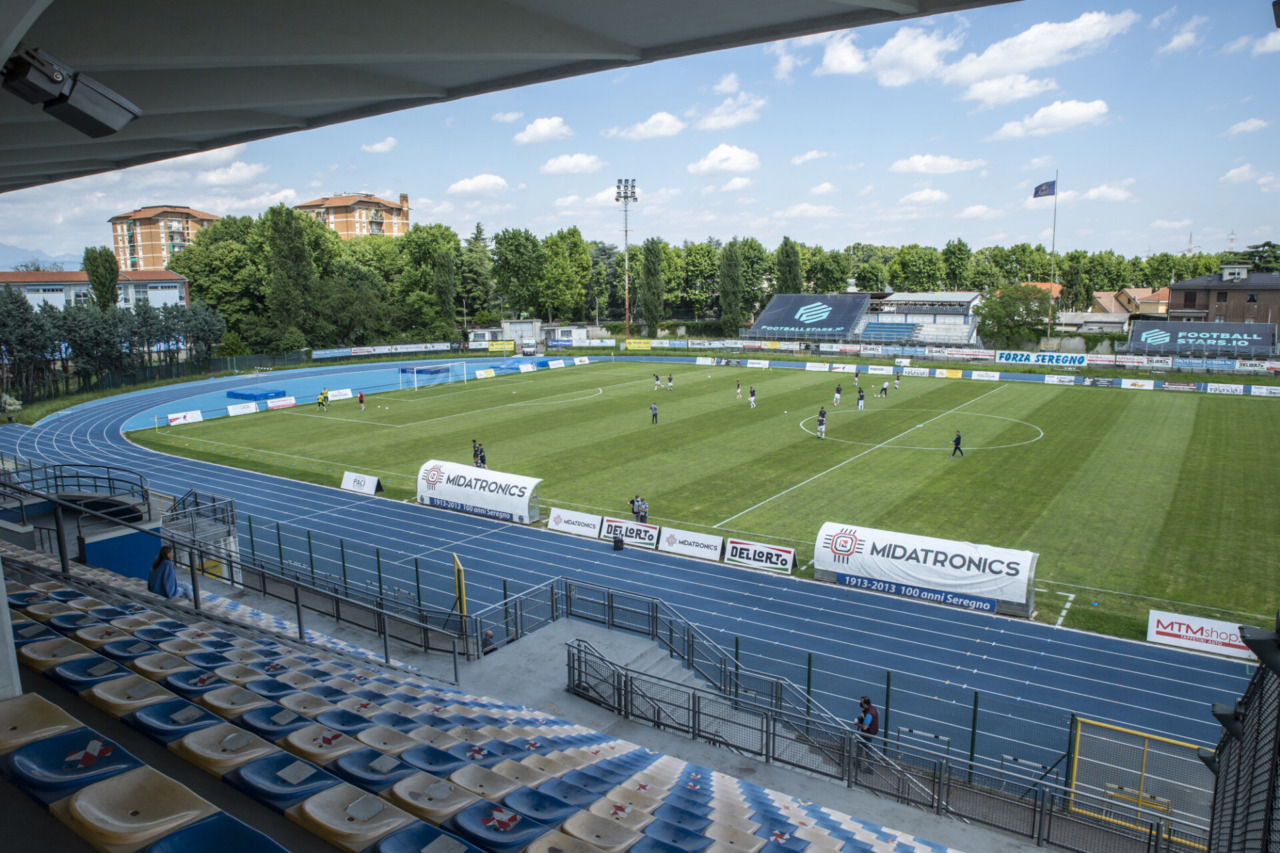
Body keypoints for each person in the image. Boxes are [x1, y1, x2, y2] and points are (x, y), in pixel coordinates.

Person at [856, 696, 879, 772]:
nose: (860, 704)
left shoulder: (869, 714)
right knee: (862, 747)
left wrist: (857, 724)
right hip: (871, 731)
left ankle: (869, 768)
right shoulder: (873, 708)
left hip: (867, 733)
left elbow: (865, 727)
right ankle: (858, 762)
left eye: (861, 703)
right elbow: (878, 713)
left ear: (865, 704)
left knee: (867, 750)